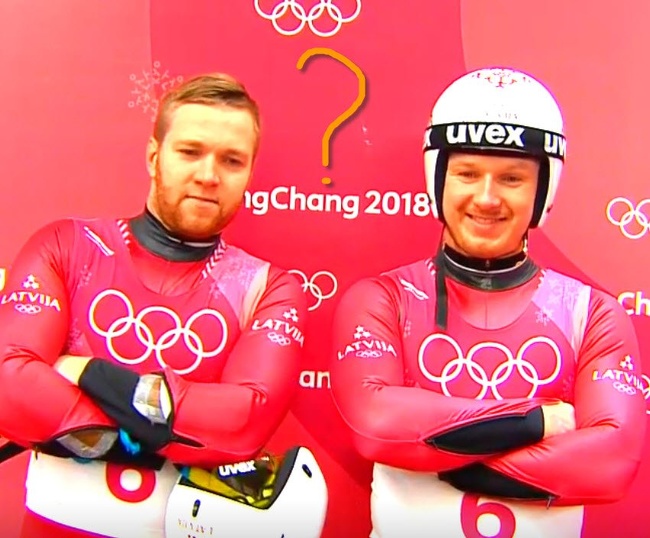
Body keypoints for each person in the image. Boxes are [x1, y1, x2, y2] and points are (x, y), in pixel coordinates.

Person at [0, 73, 327, 538]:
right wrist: (169, 426)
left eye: (231, 160)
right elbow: (9, 386)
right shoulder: (66, 246)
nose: (208, 175)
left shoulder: (269, 287)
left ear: (250, 175)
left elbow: (243, 424)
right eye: (190, 152)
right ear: (154, 157)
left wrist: (86, 373)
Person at [330, 67, 646, 538]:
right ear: (438, 178)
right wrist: (541, 421)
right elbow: (377, 424)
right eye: (467, 174)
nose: (486, 198)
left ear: (543, 189)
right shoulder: (383, 299)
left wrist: (440, 454)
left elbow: (610, 462)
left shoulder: (593, 314)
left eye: (512, 178)